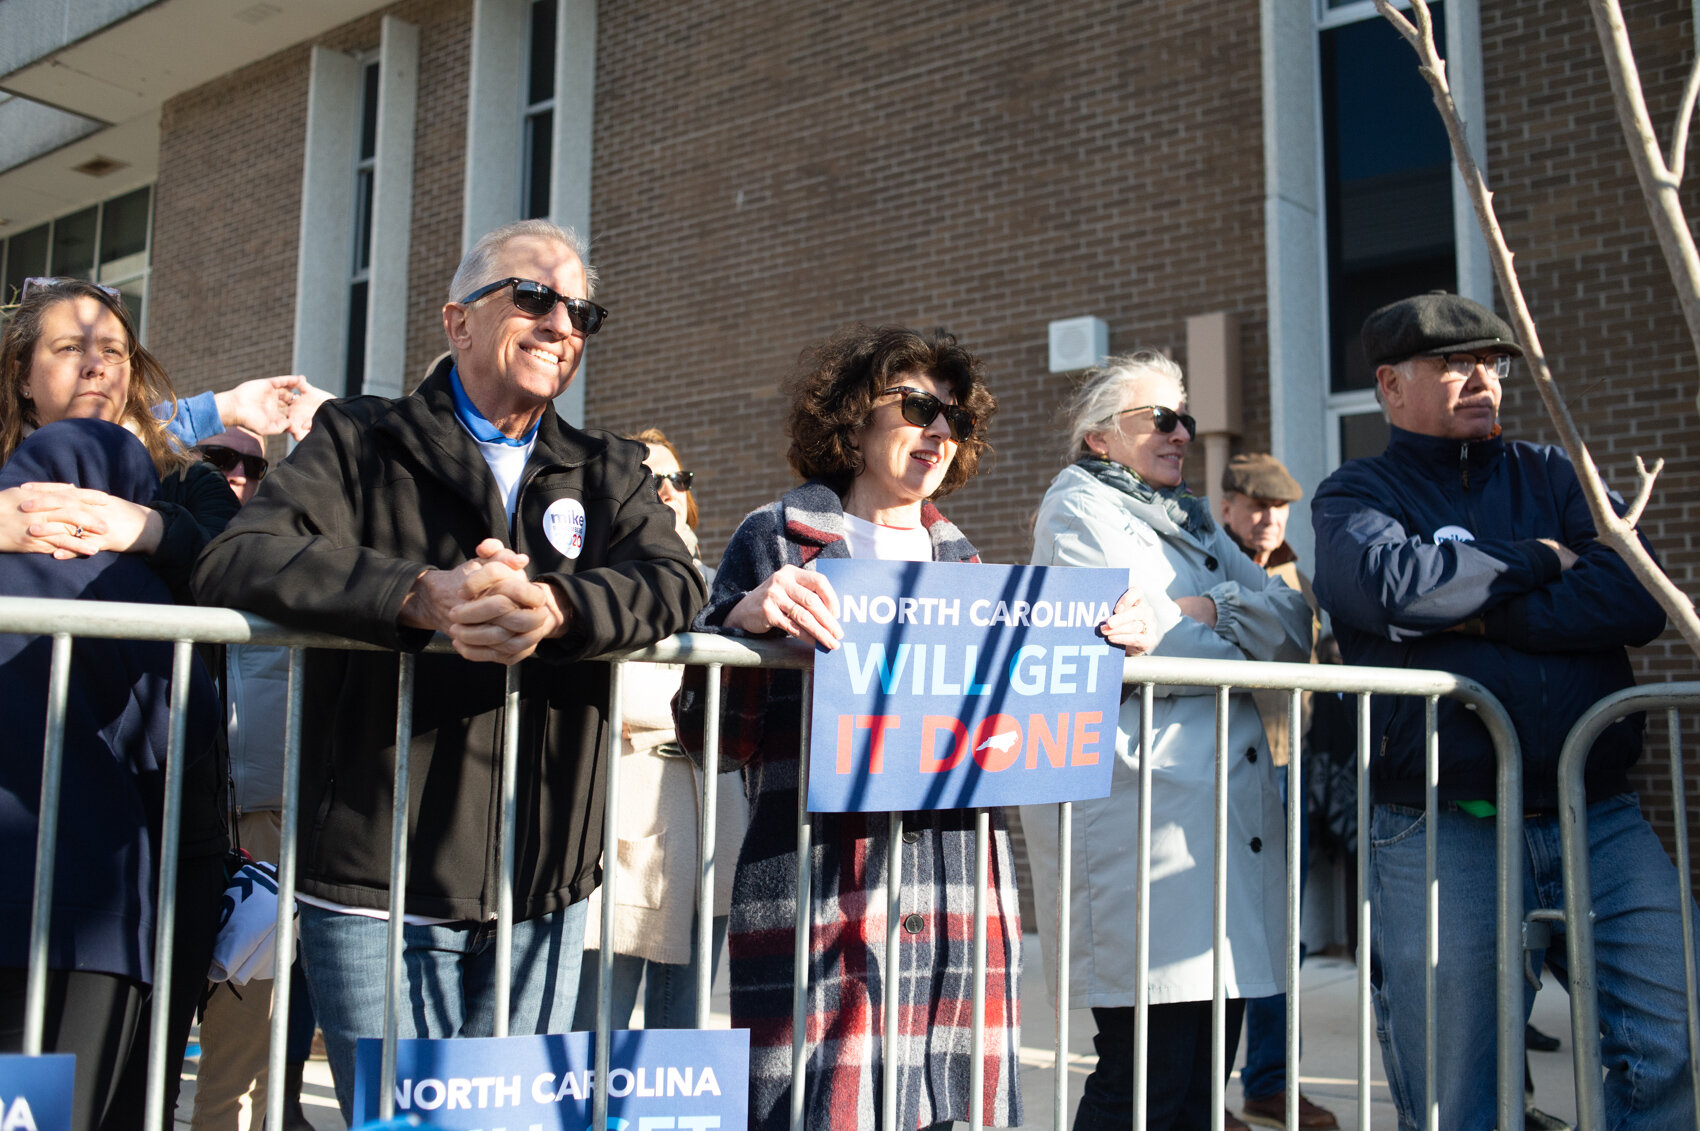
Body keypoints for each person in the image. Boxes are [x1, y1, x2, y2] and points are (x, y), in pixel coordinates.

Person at [192, 218, 706, 1119]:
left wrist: (557, 608)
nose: (562, 325)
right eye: (535, 297)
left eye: (582, 310)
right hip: (374, 878)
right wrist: (417, 595)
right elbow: (239, 557)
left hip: (544, 882)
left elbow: (674, 582)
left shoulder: (607, 467)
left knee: (506, 1120)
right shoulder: (359, 440)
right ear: (456, 320)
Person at [677, 325, 1097, 1130]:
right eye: (916, 405)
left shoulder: (968, 566)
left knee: (953, 1108)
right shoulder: (777, 539)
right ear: (853, 416)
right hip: (824, 891)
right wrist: (743, 625)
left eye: (955, 417)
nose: (939, 429)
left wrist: (1105, 640)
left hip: (955, 897)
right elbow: (708, 737)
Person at [1310, 291, 1685, 1130]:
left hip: (1598, 814)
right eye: (1452, 363)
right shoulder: (1353, 494)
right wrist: (1542, 559)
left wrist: (1481, 606)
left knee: (1675, 1032)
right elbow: (1387, 587)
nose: (1482, 377)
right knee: (1460, 1089)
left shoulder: (1556, 474)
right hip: (1443, 826)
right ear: (1390, 385)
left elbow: (1636, 593)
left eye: (1493, 361)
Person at [1019, 351, 1313, 1131]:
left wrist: (1203, 607)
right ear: (1099, 439)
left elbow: (1291, 626)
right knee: (1144, 1078)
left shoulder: (1191, 519)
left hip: (1218, 835)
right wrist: (1215, 626)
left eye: (1182, 417)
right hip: (1140, 830)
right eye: (1158, 418)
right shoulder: (1077, 509)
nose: (1180, 431)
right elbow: (1146, 651)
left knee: (1199, 1085)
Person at [0, 278, 230, 1131]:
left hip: (165, 836)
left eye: (114, 351)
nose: (97, 364)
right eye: (70, 347)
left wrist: (143, 530)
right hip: (49, 843)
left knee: (130, 1091)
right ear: (23, 373)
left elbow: (233, 556)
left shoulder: (182, 481)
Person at [574, 427, 748, 1030]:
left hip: (710, 816)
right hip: (632, 813)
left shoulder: (716, 580)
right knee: (602, 1015)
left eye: (681, 479)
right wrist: (683, 712)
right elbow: (606, 692)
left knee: (686, 1021)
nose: (670, 490)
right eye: (653, 479)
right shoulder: (599, 576)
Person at [189, 425, 315, 1131]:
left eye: (254, 464)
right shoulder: (175, 544)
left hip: (266, 830)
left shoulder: (282, 559)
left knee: (239, 1056)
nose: (238, 473)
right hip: (173, 822)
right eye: (219, 459)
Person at [1216, 453, 1336, 1131]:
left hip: (1289, 769)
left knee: (1280, 939)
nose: (1267, 518)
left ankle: (1270, 1082)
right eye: (1255, 504)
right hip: (1222, 771)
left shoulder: (1297, 577)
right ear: (1227, 505)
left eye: (1279, 507)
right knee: (1213, 936)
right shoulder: (1207, 565)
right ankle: (1204, 1094)